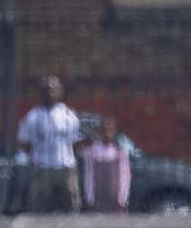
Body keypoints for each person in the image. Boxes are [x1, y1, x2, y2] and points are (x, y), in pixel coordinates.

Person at [16, 76, 81, 213]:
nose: (50, 93)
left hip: (66, 168)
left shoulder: (69, 115)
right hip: (42, 168)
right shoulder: (32, 116)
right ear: (40, 93)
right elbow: (24, 144)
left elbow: (75, 144)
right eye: (46, 90)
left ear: (60, 92)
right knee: (39, 207)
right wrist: (36, 160)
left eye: (53, 90)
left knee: (71, 206)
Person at [81, 116, 131, 213]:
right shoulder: (91, 151)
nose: (107, 132)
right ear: (99, 131)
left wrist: (122, 199)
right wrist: (90, 198)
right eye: (104, 130)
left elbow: (125, 176)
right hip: (98, 199)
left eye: (110, 129)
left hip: (115, 200)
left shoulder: (120, 151)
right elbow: (88, 176)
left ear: (115, 131)